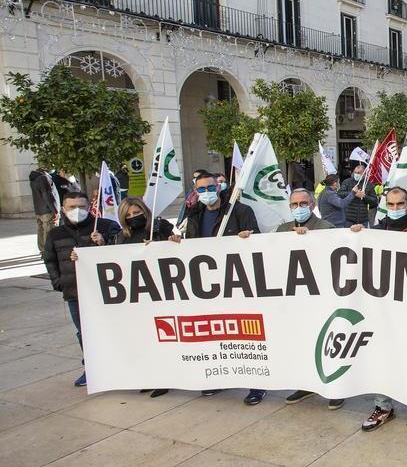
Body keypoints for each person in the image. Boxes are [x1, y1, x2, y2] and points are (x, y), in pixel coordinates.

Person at [351, 187, 407, 431]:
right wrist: (356, 236)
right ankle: (383, 406)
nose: (396, 208)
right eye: (391, 204)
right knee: (383, 356)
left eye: (400, 204)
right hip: (384, 308)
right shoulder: (376, 231)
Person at [177, 172, 260, 402]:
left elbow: (259, 243)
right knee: (217, 335)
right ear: (195, 191)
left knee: (248, 335)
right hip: (210, 287)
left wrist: (248, 238)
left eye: (210, 187)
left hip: (239, 284)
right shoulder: (194, 215)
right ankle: (219, 377)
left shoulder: (240, 211)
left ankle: (257, 385)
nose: (206, 193)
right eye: (200, 189)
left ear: (219, 186)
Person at [41, 191, 120, 387]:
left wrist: (104, 243)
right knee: (83, 332)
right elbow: (49, 259)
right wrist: (58, 282)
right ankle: (92, 367)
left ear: (89, 207)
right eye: (72, 207)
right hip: (75, 292)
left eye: (82, 207)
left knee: (114, 328)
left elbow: (123, 250)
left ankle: (120, 365)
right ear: (63, 209)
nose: (77, 211)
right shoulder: (55, 234)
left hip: (106, 291)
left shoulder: (104, 226)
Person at [276, 189, 343, 410]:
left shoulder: (326, 228)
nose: (298, 208)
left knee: (328, 343)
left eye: (303, 203)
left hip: (322, 297)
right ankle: (306, 384)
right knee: (301, 343)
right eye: (294, 204)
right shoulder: (283, 230)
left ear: (312, 204)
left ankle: (336, 389)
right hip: (296, 300)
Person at [113, 196, 174, 398]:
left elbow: (176, 249)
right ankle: (151, 376)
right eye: (128, 215)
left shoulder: (160, 227)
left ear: (144, 211)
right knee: (144, 338)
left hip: (160, 291)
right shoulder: (121, 236)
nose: (133, 217)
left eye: (137, 213)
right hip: (137, 295)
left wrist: (162, 243)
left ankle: (166, 378)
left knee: (163, 337)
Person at [29, 166, 59, 251]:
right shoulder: (44, 177)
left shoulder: (35, 177)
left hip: (39, 210)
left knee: (41, 230)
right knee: (49, 231)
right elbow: (48, 195)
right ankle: (48, 251)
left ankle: (42, 250)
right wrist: (55, 211)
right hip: (48, 210)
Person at [339, 163, 377, 227]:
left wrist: (364, 196)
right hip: (348, 218)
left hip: (363, 219)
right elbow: (340, 194)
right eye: (355, 172)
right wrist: (353, 193)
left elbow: (374, 201)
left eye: (359, 173)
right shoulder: (347, 182)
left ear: (364, 174)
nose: (356, 174)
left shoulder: (369, 184)